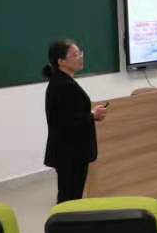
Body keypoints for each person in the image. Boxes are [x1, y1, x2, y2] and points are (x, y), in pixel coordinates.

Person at [43, 40, 108, 203]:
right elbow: (67, 121)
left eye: (80, 53)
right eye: (75, 55)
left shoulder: (62, 81)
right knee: (70, 197)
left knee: (70, 195)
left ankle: (67, 218)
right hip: (70, 152)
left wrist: (91, 114)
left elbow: (70, 114)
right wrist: (93, 115)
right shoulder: (64, 85)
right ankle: (65, 219)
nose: (80, 57)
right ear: (61, 61)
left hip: (69, 151)